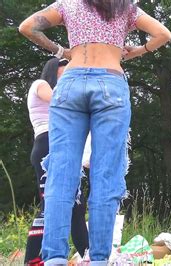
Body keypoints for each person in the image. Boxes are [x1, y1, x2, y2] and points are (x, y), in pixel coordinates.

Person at [19, 0, 171, 264]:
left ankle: (54, 258)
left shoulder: (67, 5)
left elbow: (28, 27)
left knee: (60, 173)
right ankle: (99, 258)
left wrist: (61, 51)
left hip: (70, 85)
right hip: (111, 83)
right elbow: (163, 34)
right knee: (106, 175)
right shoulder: (127, 8)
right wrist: (136, 51)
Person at [26, 58, 89, 265]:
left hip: (64, 146)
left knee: (76, 206)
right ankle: (34, 259)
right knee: (49, 205)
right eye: (63, 75)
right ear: (53, 73)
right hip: (47, 146)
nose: (67, 80)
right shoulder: (40, 84)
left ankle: (87, 254)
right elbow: (58, 99)